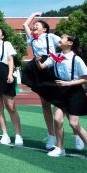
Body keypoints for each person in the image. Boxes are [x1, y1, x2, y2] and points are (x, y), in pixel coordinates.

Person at [34, 34, 87, 161]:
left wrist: (68, 83)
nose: (60, 40)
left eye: (63, 38)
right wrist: (37, 61)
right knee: (57, 119)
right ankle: (59, 148)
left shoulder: (76, 59)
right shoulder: (56, 56)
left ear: (70, 43)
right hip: (60, 91)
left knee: (74, 123)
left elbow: (85, 79)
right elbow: (42, 67)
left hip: (74, 91)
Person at [21, 12, 62, 149]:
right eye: (34, 25)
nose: (34, 26)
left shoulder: (50, 36)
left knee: (59, 102)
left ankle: (74, 133)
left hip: (51, 66)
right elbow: (25, 24)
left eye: (37, 25)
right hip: (38, 68)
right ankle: (52, 136)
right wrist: (33, 14)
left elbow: (65, 44)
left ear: (44, 29)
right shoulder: (32, 38)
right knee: (45, 103)